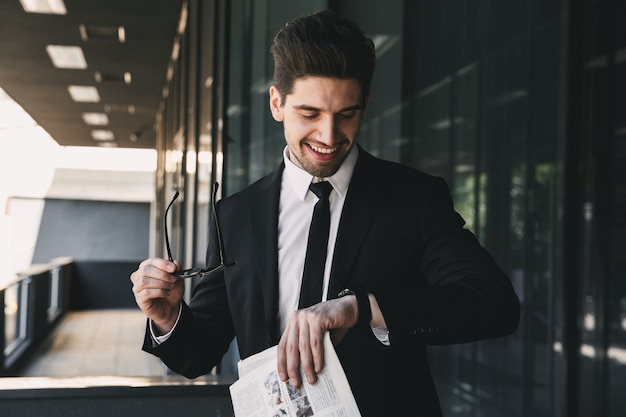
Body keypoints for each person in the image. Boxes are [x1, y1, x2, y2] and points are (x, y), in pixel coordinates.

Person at [130, 9, 520, 417]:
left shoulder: (413, 198)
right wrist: (169, 317)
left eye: (346, 114)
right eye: (310, 114)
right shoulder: (236, 214)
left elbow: (494, 305)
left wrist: (363, 308)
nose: (329, 136)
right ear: (277, 103)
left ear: (365, 103)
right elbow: (198, 354)